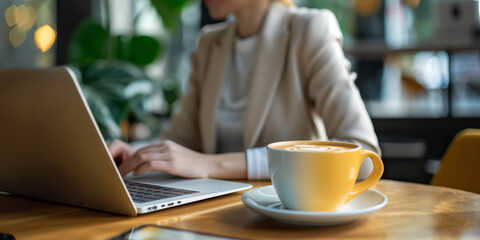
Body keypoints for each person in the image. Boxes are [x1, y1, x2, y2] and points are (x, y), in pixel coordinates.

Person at [108, 0, 381, 180]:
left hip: (284, 220)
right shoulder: (209, 44)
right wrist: (133, 155)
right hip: (210, 216)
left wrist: (213, 165)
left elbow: (364, 155)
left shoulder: (309, 30)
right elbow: (181, 142)